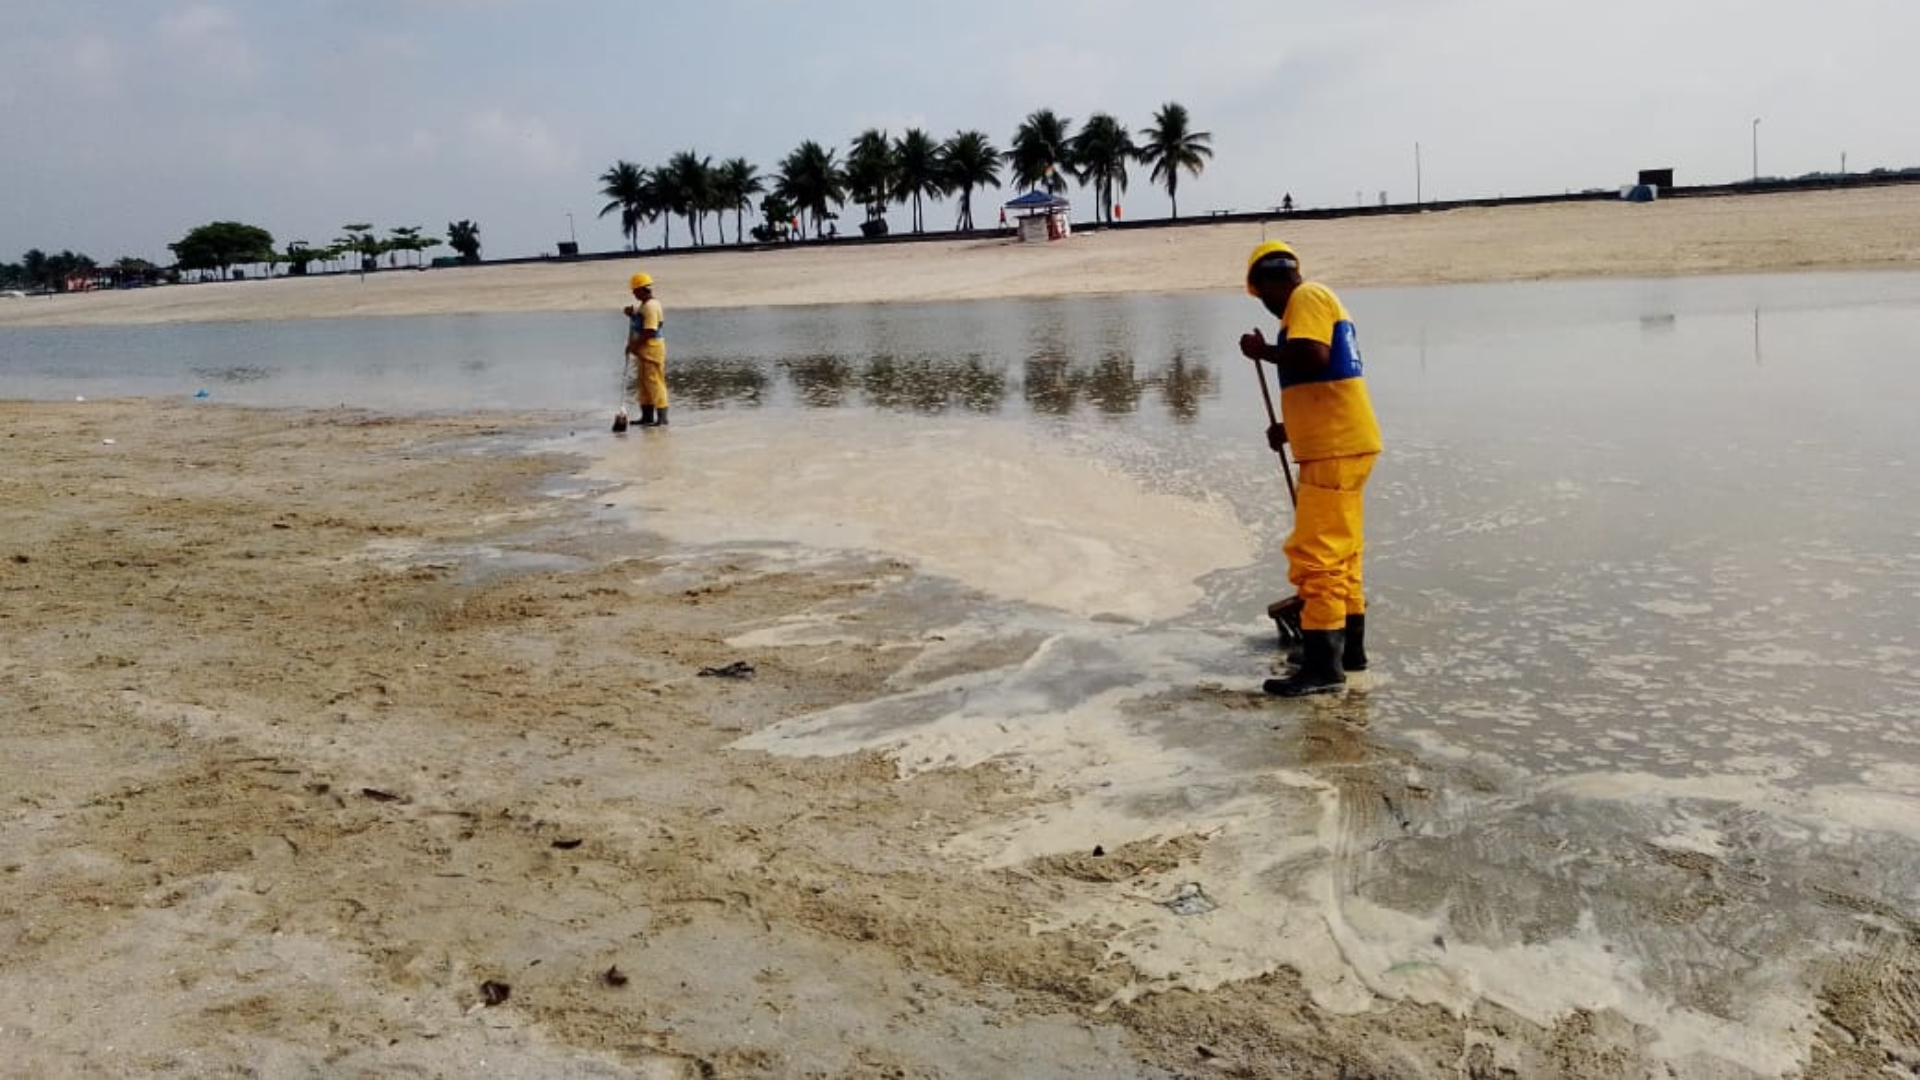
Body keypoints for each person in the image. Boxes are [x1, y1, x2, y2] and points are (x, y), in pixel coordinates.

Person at [1239, 240, 1382, 696]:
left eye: (1262, 297)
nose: (1267, 307)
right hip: (1339, 441)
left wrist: (1262, 352)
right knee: (1344, 553)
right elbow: (1322, 379)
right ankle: (1349, 651)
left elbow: (1312, 357)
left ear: (1268, 283)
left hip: (1335, 448)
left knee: (1317, 554)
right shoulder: (1313, 304)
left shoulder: (1307, 297)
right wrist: (1289, 428)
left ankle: (1323, 666)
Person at [623, 271, 668, 427]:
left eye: (635, 291)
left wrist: (633, 345)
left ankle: (662, 418)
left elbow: (650, 330)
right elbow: (641, 322)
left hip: (652, 350)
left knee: (654, 382)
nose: (633, 293)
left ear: (642, 289)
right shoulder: (644, 305)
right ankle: (647, 417)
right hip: (643, 351)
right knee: (643, 384)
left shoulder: (650, 306)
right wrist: (632, 315)